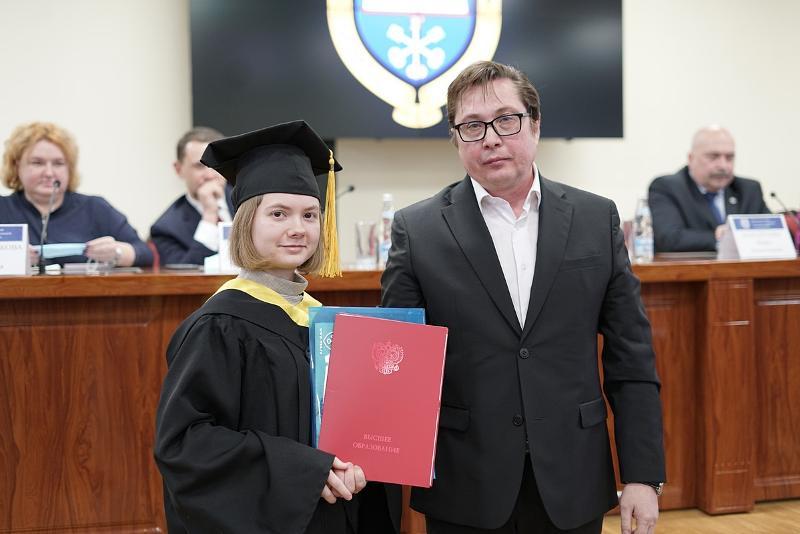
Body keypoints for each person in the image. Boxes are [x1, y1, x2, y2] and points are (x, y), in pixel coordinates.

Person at [380, 61, 665, 534]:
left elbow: (631, 357)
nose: (490, 138)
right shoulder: (418, 230)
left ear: (535, 124)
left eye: (506, 120)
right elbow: (394, 361)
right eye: (472, 126)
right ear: (456, 138)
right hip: (467, 483)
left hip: (573, 477)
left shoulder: (595, 218)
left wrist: (642, 475)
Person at [154, 120, 376, 533]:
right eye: (278, 214)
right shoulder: (219, 326)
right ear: (246, 222)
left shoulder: (323, 321)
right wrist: (305, 471)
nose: (298, 228)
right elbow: (186, 444)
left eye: (310, 215)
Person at [0, 122, 153, 267]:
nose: (49, 173)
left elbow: (145, 254)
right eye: (37, 163)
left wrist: (117, 253)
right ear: (16, 166)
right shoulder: (3, 208)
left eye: (58, 163)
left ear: (70, 168)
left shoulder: (95, 208)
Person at [648, 126, 770, 253]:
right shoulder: (668, 187)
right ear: (691, 158)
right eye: (713, 157)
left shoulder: (749, 190)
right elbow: (670, 238)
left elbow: (773, 232)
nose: (723, 166)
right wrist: (722, 237)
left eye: (729, 158)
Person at [149, 126, 234, 266]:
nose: (210, 175)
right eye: (200, 166)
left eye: (216, 164)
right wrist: (210, 215)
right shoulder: (166, 228)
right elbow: (186, 274)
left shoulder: (251, 202)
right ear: (179, 169)